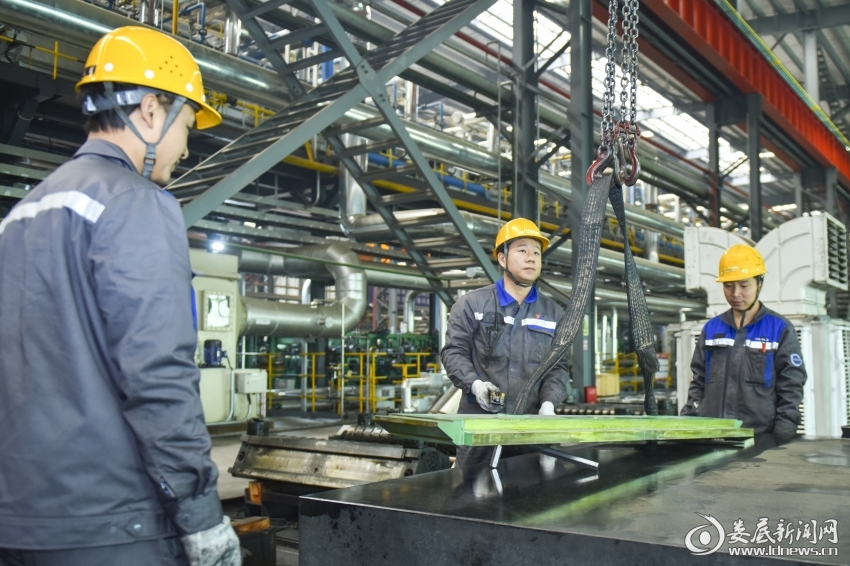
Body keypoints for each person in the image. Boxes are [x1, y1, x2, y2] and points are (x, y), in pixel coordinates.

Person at [0, 27, 241, 566]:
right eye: (187, 125)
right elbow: (157, 372)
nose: (185, 148)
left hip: (19, 521)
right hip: (109, 525)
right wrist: (202, 517)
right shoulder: (135, 202)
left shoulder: (21, 215)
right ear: (151, 110)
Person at [441, 218, 569, 467]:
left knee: (538, 490)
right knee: (473, 489)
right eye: (522, 250)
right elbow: (454, 353)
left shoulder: (553, 313)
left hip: (532, 431)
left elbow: (558, 367)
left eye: (536, 252)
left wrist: (548, 404)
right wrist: (476, 386)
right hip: (481, 430)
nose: (531, 258)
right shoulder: (472, 305)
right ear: (502, 259)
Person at [680, 244, 807, 441]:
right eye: (728, 285)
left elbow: (791, 387)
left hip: (759, 437)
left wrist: (783, 432)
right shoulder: (712, 328)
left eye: (744, 285)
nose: (735, 293)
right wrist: (689, 420)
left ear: (759, 283)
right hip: (712, 435)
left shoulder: (779, 329)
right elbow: (699, 381)